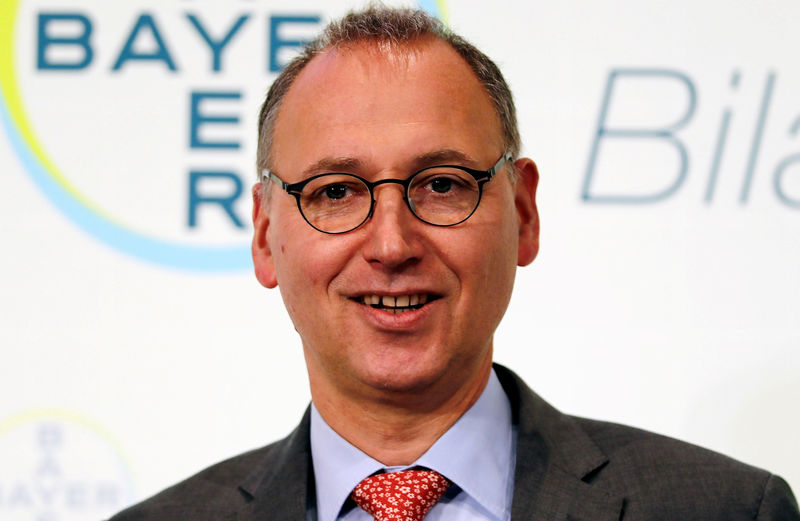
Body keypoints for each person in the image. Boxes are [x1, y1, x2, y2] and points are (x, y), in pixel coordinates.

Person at [109, 6, 799, 521]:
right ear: (265, 235)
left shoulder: (727, 509)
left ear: (523, 213)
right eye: (336, 192)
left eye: (441, 183)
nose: (391, 244)